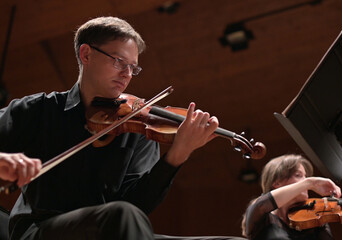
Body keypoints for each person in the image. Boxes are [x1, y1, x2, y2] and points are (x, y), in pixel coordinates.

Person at [0, 16, 220, 240]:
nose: (127, 74)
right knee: (120, 216)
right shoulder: (39, 110)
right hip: (40, 230)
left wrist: (178, 153)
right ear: (86, 54)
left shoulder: (138, 126)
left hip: (112, 229)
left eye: (133, 68)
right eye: (119, 61)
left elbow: (138, 206)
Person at [241, 154, 342, 240]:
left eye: (305, 176)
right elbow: (261, 205)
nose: (304, 180)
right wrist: (311, 182)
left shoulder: (313, 219)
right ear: (277, 183)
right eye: (298, 175)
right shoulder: (263, 217)